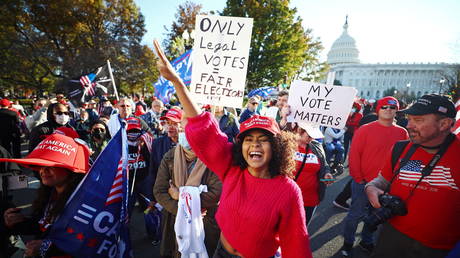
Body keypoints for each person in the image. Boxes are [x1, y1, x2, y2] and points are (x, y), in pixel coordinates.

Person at [154, 39, 311, 258]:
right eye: (249, 139)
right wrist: (177, 81)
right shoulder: (232, 170)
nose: (255, 144)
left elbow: (297, 244)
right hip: (220, 252)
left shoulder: (288, 191)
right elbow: (203, 126)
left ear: (277, 147)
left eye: (263, 139)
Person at [365, 94, 459, 258]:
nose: (409, 125)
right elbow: (382, 181)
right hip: (391, 237)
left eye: (418, 120)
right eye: (409, 119)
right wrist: (371, 188)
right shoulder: (402, 149)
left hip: (439, 248)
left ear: (444, 124)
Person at [1, 133, 90, 257]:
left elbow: (87, 244)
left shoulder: (85, 203)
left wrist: (46, 248)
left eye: (51, 165)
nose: (43, 170)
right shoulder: (50, 194)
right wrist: (14, 223)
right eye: (40, 165)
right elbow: (42, 226)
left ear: (71, 170)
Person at [341, 96, 408, 257]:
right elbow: (354, 155)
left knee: (375, 217)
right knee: (355, 215)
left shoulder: (402, 132)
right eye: (385, 107)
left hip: (385, 186)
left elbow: (403, 158)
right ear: (378, 109)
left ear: (397, 111)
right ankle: (348, 242)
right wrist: (358, 178)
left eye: (392, 107)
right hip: (362, 182)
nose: (389, 110)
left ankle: (367, 241)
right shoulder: (365, 129)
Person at [153, 129, 222, 257]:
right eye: (184, 131)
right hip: (174, 220)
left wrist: (180, 195)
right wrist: (183, 211)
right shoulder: (170, 156)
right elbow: (159, 190)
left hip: (205, 222)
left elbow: (216, 193)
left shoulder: (213, 159)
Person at [294, 122, 333, 226]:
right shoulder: (287, 146)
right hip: (288, 199)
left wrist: (327, 174)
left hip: (310, 199)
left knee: (302, 230)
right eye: (309, 135)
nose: (311, 138)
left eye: (313, 136)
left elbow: (324, 165)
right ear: (300, 131)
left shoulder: (317, 146)